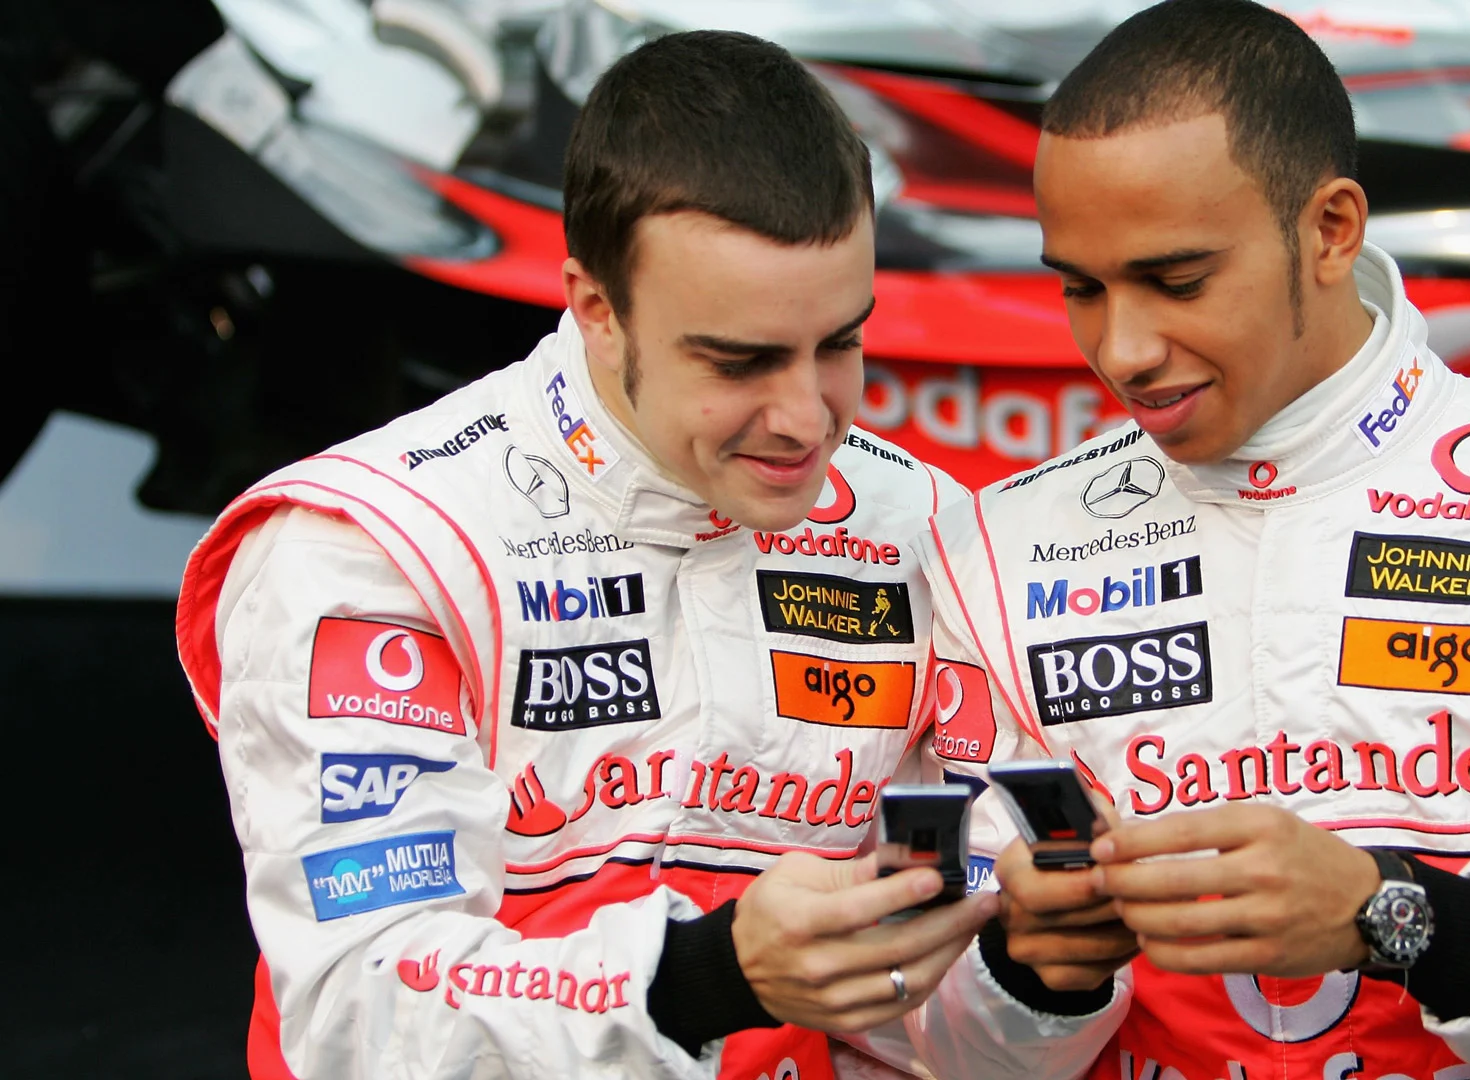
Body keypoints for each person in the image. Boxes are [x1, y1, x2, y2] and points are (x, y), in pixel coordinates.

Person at [913, 1, 1470, 1077]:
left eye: (1178, 279)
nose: (1124, 347)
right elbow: (927, 1027)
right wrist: (1026, 970)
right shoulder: (994, 553)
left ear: (1332, 229)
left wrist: (1411, 918)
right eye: (1080, 286)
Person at [175, 30, 1034, 1080]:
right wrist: (710, 976)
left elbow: (976, 1045)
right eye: (741, 359)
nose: (808, 417)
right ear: (595, 308)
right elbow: (361, 1017)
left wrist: (1040, 978)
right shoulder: (378, 548)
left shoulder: (923, 528)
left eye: (841, 341)